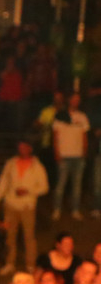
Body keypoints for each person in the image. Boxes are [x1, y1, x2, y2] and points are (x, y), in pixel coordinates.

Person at [0, 138, 49, 276]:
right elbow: (4, 181)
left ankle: (30, 264)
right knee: (10, 235)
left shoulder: (37, 166)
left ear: (30, 148)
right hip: (10, 204)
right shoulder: (11, 163)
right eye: (20, 147)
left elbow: (44, 187)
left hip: (27, 206)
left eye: (24, 147)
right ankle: (9, 263)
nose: (22, 150)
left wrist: (28, 191)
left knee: (29, 236)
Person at [52, 92, 90, 220]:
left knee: (77, 186)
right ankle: (57, 209)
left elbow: (84, 136)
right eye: (74, 99)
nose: (75, 102)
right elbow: (55, 136)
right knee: (60, 185)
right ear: (69, 100)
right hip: (64, 155)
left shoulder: (82, 116)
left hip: (78, 156)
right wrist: (57, 152)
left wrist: (84, 151)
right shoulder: (60, 115)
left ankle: (75, 210)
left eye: (78, 100)